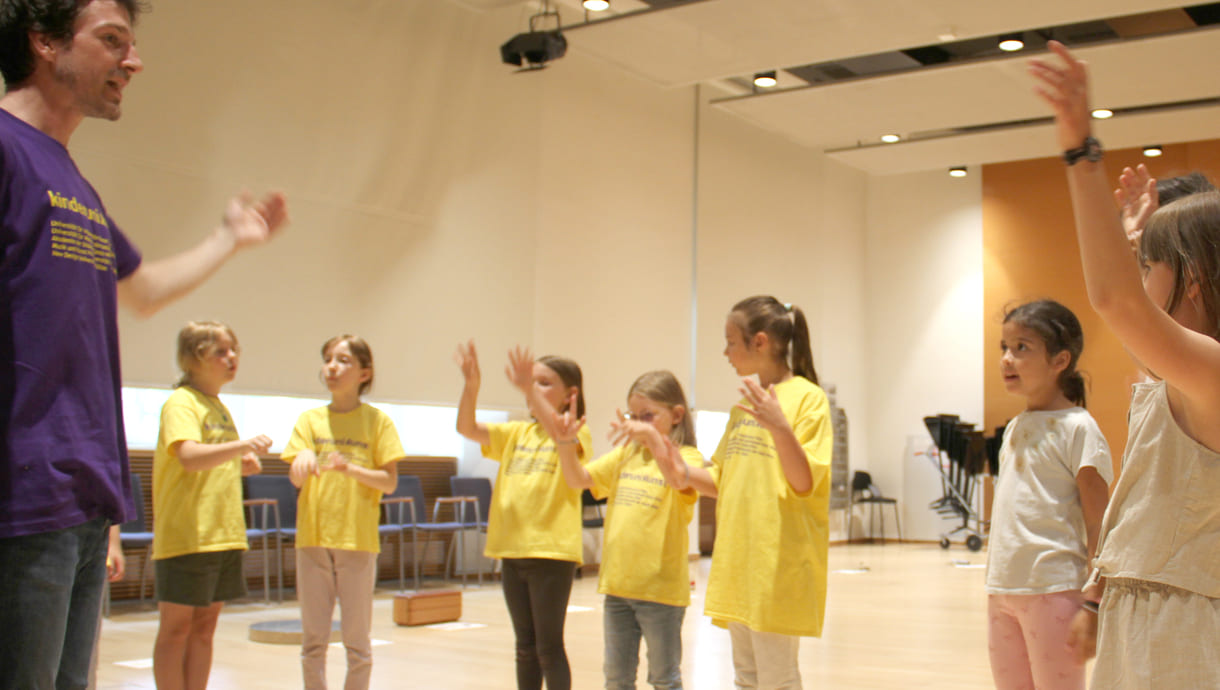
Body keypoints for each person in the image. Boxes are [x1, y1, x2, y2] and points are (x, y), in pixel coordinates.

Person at [0, 1, 287, 687]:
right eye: (112, 41)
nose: (134, 61)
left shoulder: (74, 184)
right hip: (20, 498)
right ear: (43, 41)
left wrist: (229, 240)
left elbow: (143, 287)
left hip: (78, 498)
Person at [1031, 41, 1220, 686]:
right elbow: (1139, 323)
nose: (1139, 279)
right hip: (1145, 610)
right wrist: (1137, 236)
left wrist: (1081, 151)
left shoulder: (1214, 374)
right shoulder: (1175, 377)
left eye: (1150, 266)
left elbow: (1116, 300)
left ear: (1192, 280)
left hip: (1187, 626)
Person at [660, 295, 833, 689]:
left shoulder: (809, 398)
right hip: (739, 561)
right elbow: (722, 479)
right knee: (747, 677)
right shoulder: (744, 407)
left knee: (776, 678)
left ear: (760, 342)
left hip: (778, 563)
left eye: (731, 341)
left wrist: (780, 428)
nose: (725, 352)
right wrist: (681, 470)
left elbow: (805, 481)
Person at [546, 370, 703, 690]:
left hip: (660, 592)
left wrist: (651, 438)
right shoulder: (625, 455)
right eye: (634, 415)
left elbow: (677, 478)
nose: (638, 423)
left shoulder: (686, 457)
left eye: (649, 416)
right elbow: (577, 480)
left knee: (664, 677)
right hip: (618, 587)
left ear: (676, 415)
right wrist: (565, 441)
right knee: (616, 678)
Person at [986, 300, 1112, 690]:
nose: (1007, 359)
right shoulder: (1013, 428)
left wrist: (1092, 602)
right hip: (1001, 589)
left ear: (1060, 360)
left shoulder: (1079, 429)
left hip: (1054, 590)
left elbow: (1100, 524)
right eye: (1004, 348)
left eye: (1022, 347)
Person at [454, 342, 592, 690]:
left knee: (548, 647)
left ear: (569, 394)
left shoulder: (575, 432)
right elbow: (467, 428)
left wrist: (528, 389)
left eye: (544, 383)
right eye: (533, 383)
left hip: (550, 553)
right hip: (512, 551)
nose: (533, 389)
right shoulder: (516, 432)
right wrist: (471, 386)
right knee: (524, 648)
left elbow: (560, 432)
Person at [281, 335, 405, 690]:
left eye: (343, 360)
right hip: (313, 539)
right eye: (328, 359)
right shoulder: (309, 420)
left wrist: (351, 469)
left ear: (365, 372)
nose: (332, 366)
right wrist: (301, 462)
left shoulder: (378, 422)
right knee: (313, 641)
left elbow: (389, 482)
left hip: (357, 540)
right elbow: (295, 475)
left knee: (357, 643)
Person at [150, 322, 269, 690]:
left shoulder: (218, 407)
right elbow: (187, 455)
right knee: (176, 629)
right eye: (221, 351)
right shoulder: (181, 403)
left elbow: (210, 460)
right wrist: (241, 448)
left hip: (224, 533)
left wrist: (238, 463)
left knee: (204, 629)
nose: (232, 358)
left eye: (234, 350)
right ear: (194, 357)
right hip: (188, 533)